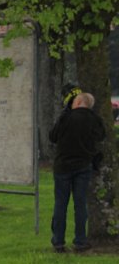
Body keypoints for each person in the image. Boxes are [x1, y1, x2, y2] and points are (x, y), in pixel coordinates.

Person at [49, 91, 106, 253]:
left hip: (62, 166)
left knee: (61, 204)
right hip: (83, 165)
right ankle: (80, 241)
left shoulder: (66, 117)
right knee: (80, 204)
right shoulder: (94, 120)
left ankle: (58, 241)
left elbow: (52, 136)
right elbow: (101, 136)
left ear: (79, 102)